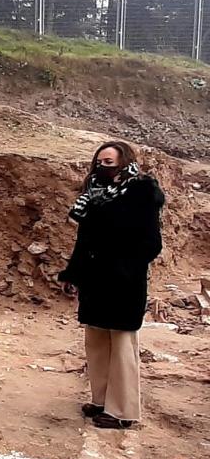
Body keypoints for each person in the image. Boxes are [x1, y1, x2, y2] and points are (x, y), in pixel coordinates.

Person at [58, 141, 165, 430]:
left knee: (121, 346)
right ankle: (102, 400)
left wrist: (124, 268)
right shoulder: (93, 195)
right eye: (99, 162)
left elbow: (152, 243)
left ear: (124, 163)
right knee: (96, 343)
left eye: (109, 163)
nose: (102, 168)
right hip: (96, 280)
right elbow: (85, 240)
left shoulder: (141, 194)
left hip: (123, 283)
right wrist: (73, 274)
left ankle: (123, 411)